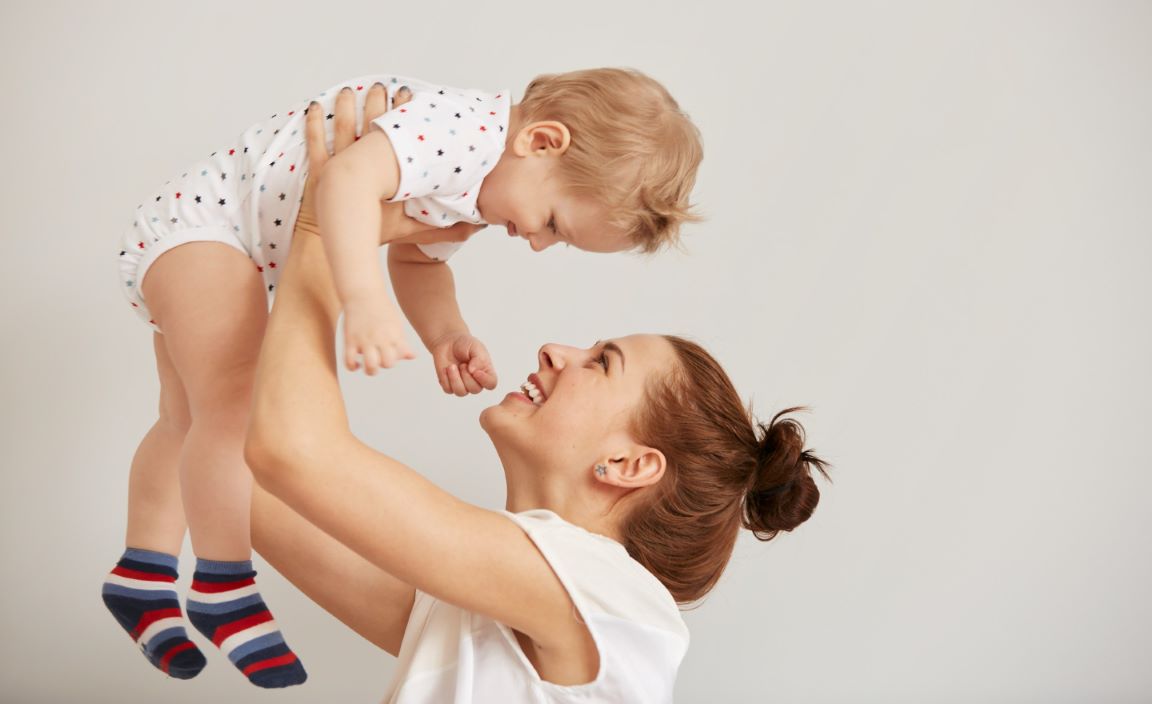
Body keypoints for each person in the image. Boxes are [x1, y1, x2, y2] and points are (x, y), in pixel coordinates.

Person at [102, 71, 703, 687]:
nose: (539, 244)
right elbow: (343, 181)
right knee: (220, 413)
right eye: (552, 222)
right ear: (542, 141)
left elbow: (408, 260)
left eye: (602, 364)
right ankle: (221, 582)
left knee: (194, 421)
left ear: (631, 465)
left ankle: (143, 573)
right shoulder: (458, 139)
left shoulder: (593, 592)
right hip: (214, 232)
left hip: (226, 247)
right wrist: (361, 295)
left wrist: (442, 332)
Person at [241, 87, 829, 702]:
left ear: (631, 465)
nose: (554, 351)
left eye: (602, 363)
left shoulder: (611, 599)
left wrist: (323, 224)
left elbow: (289, 450)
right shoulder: (481, 612)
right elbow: (241, 474)